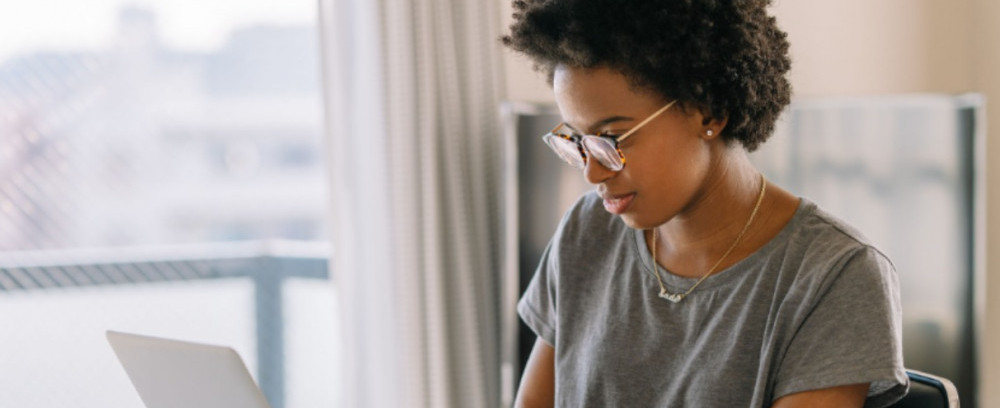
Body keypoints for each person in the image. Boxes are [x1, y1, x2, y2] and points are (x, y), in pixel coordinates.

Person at [501, 0, 908, 407]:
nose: (591, 173)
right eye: (576, 142)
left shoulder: (833, 275)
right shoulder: (588, 230)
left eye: (611, 139)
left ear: (709, 111)